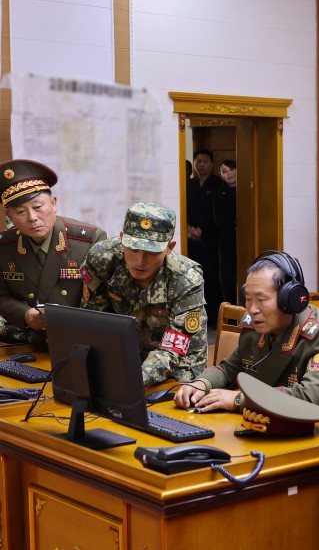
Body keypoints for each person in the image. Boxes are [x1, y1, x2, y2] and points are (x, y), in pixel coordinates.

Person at [173, 251, 319, 428]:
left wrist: (238, 400)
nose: (252, 309)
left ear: (290, 299)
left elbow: (307, 399)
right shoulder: (256, 327)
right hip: (279, 425)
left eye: (261, 300)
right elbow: (230, 368)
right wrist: (201, 384)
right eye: (248, 299)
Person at [81, 202, 207, 386]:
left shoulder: (185, 280)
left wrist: (133, 379)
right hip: (124, 361)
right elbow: (95, 322)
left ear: (169, 247)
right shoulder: (103, 259)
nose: (140, 261)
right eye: (133, 249)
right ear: (123, 238)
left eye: (151, 252)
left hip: (179, 368)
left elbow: (173, 350)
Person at [0, 160, 106, 342]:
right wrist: (25, 315)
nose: (33, 218)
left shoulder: (89, 240)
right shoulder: (5, 246)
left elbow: (106, 300)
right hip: (28, 341)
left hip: (80, 340)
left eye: (38, 207)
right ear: (9, 216)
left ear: (53, 203)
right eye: (20, 212)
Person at [187, 148, 224, 324]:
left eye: (205, 161)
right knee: (194, 276)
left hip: (211, 238)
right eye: (198, 161)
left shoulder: (218, 183)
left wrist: (203, 229)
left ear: (211, 164)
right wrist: (190, 229)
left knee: (212, 277)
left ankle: (215, 317)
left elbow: (217, 213)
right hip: (191, 239)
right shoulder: (189, 184)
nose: (201, 164)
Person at [214, 159, 238, 304]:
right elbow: (219, 220)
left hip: (247, 240)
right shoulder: (218, 194)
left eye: (231, 170)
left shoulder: (249, 190)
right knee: (228, 277)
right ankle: (231, 311)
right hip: (227, 240)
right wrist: (235, 230)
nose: (228, 174)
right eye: (224, 171)